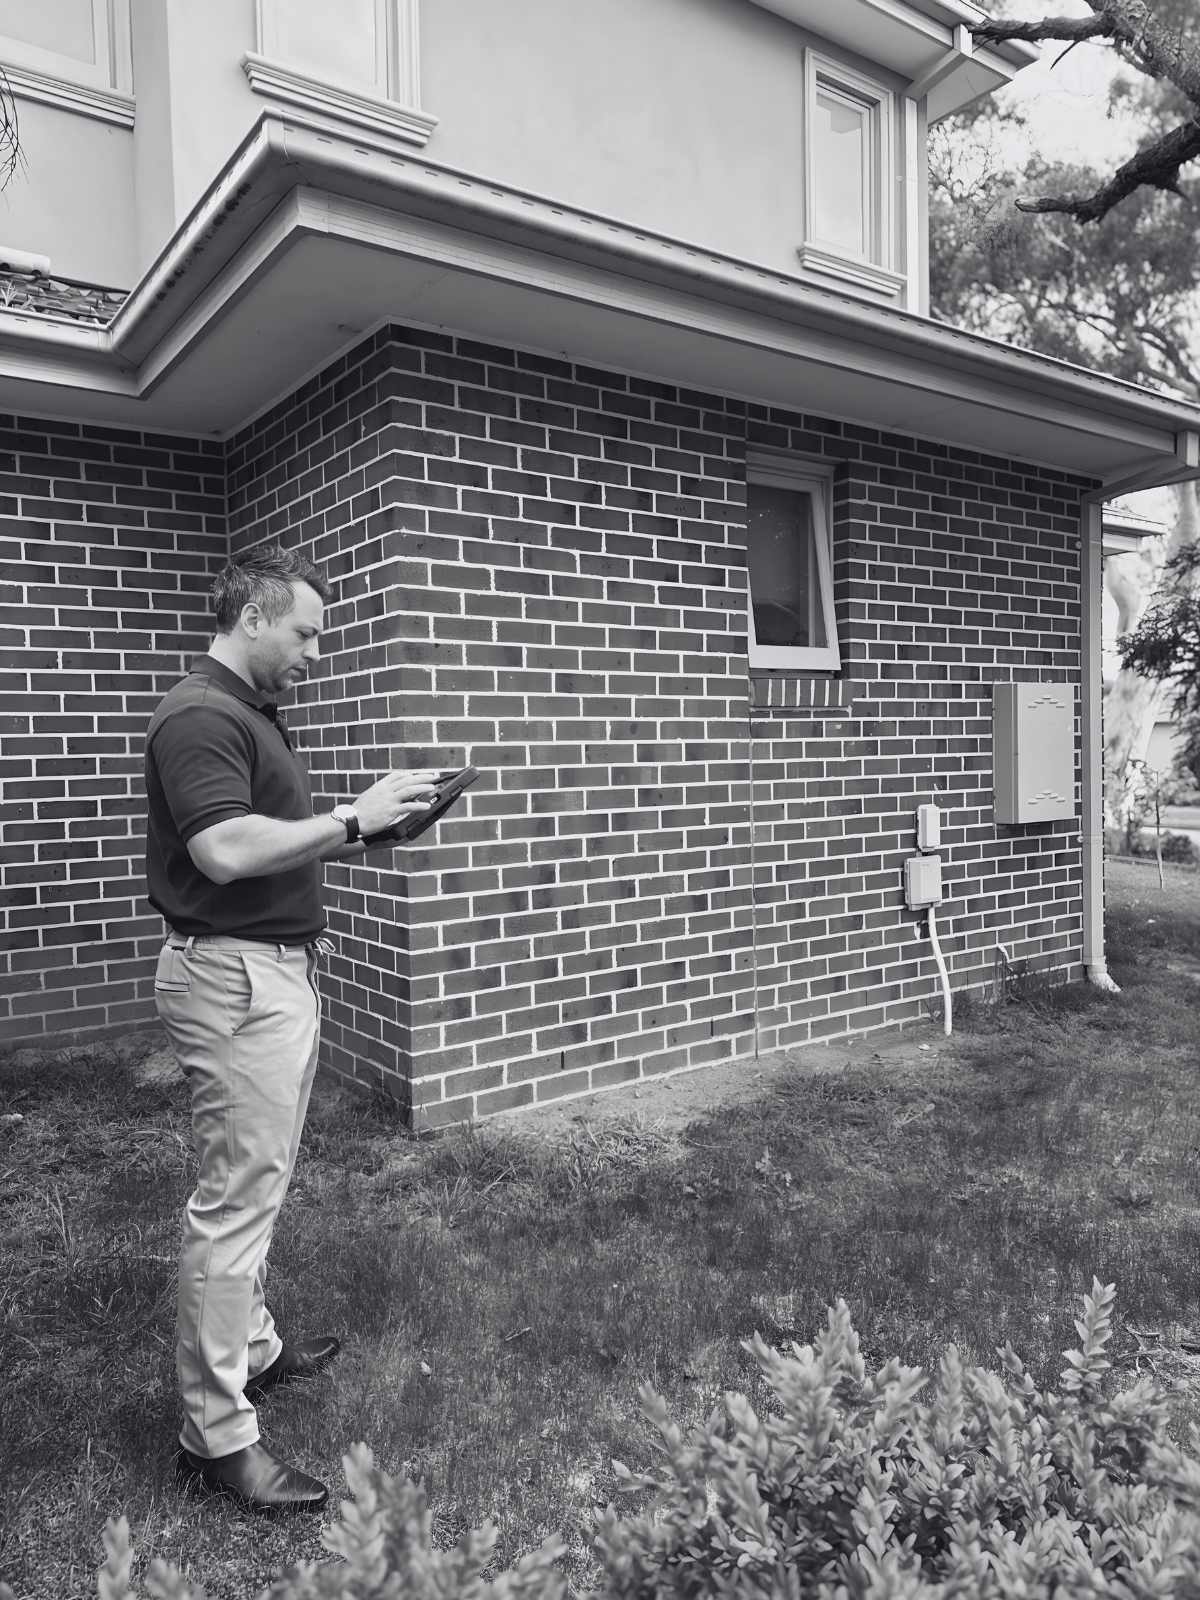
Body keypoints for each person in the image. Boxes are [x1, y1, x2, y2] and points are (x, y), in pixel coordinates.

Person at [144, 544, 438, 1514]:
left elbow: (265, 842)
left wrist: (374, 825)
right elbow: (225, 849)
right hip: (235, 981)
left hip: (268, 974)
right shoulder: (201, 714)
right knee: (234, 1205)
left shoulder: (249, 713)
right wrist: (353, 819)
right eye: (306, 633)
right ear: (256, 616)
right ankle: (216, 1439)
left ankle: (254, 1349)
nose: (315, 652)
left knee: (256, 1187)